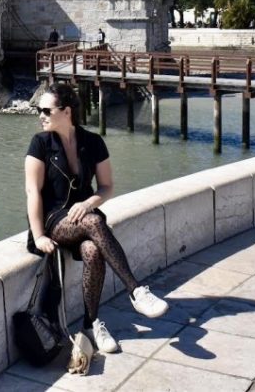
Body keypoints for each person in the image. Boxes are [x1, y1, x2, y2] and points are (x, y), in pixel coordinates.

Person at [24, 83, 168, 355]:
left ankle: (91, 324)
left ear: (66, 111)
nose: (40, 115)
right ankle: (136, 291)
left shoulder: (93, 142)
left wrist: (89, 202)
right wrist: (40, 234)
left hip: (84, 216)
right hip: (53, 220)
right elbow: (33, 191)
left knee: (92, 249)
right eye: (38, 110)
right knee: (95, 221)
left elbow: (106, 187)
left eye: (45, 110)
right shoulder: (40, 143)